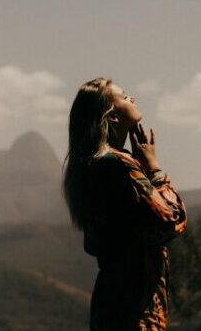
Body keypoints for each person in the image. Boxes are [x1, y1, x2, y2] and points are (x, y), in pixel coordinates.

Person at [63, 77, 187, 331]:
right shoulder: (119, 165)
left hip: (111, 305)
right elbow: (171, 221)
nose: (133, 98)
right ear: (113, 117)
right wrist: (154, 170)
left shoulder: (92, 166)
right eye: (125, 96)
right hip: (135, 308)